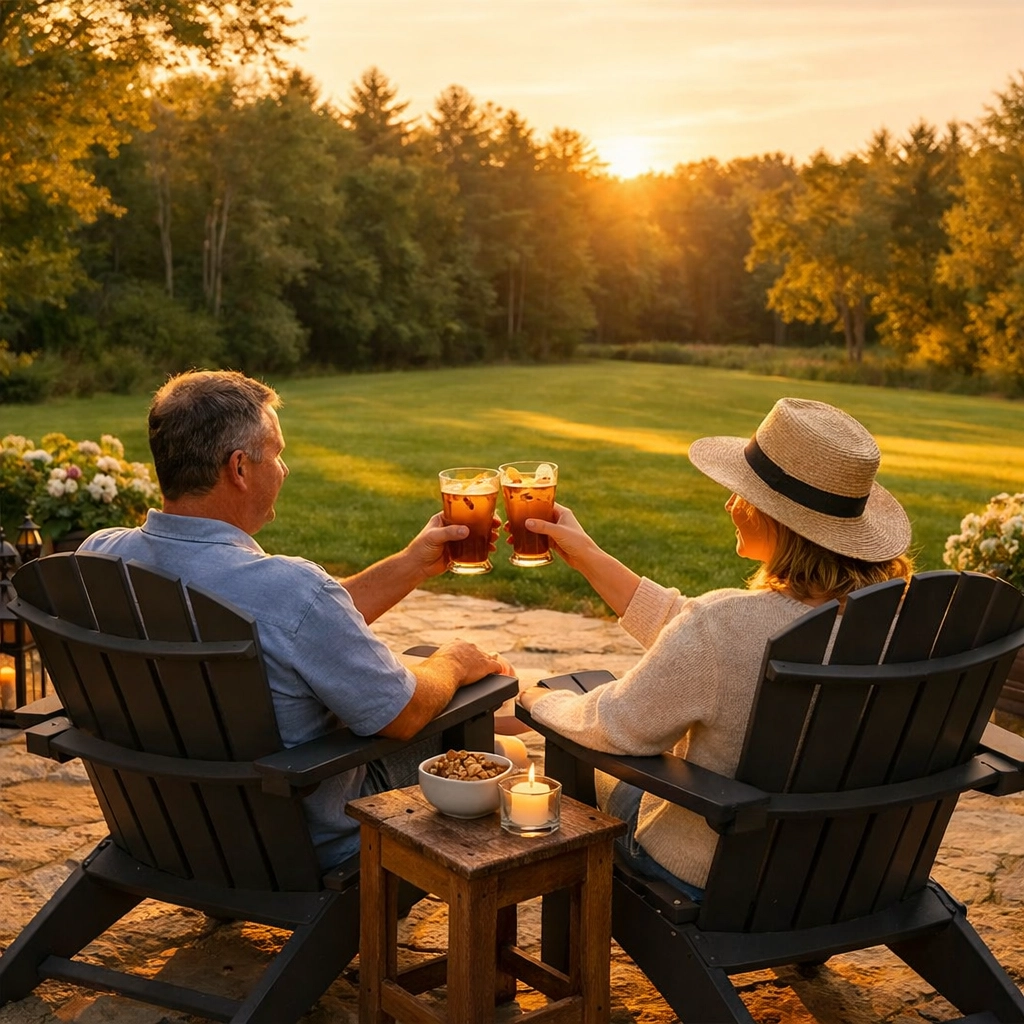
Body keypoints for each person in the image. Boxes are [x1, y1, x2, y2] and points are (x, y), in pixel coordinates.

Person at [81, 369, 513, 869]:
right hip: (299, 844)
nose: (284, 470)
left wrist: (414, 563)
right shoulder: (289, 590)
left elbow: (296, 621)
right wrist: (455, 661)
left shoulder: (101, 559)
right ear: (239, 468)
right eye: (277, 453)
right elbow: (405, 714)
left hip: (170, 830)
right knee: (488, 739)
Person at [516, 397, 914, 901]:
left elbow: (617, 726)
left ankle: (569, 951)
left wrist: (540, 699)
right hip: (844, 874)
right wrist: (591, 559)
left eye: (742, 494)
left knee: (588, 772)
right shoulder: (901, 622)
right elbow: (701, 638)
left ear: (778, 519)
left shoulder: (727, 626)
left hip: (723, 872)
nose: (729, 504)